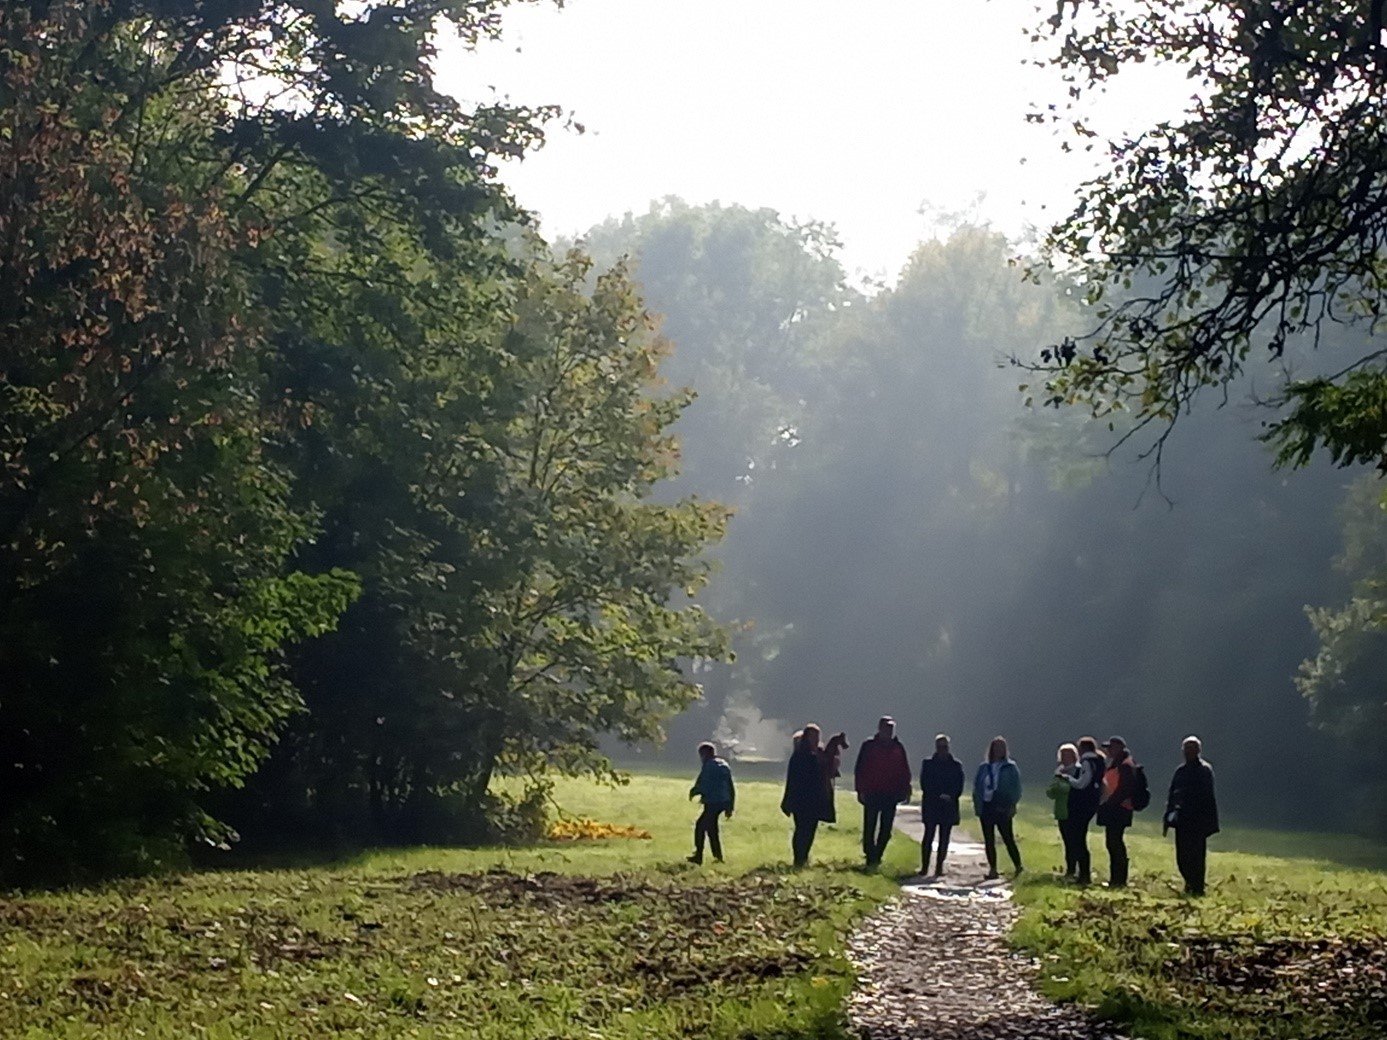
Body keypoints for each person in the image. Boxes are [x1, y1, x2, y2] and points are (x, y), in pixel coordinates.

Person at [854, 716, 912, 867]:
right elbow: (860, 768)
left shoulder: (898, 748)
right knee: (869, 826)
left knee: (886, 829)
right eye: (887, 728)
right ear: (880, 728)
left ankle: (877, 855)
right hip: (872, 792)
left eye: (891, 728)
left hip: (890, 794)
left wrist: (906, 788)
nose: (889, 731)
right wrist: (860, 789)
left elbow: (904, 770)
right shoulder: (869, 746)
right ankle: (870, 854)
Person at [1164, 735, 1219, 896]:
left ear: (1198, 751)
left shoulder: (1204, 770)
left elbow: (1206, 796)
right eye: (1186, 749)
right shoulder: (1180, 771)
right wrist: (1168, 815)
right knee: (1182, 855)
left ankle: (1197, 886)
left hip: (1197, 820)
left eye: (1191, 749)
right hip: (1182, 820)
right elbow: (1172, 793)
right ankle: (1189, 881)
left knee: (1196, 855)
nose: (1188, 753)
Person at [781, 724, 834, 867]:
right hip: (802, 799)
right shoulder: (800, 756)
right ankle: (799, 858)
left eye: (818, 737)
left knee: (810, 830)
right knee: (802, 829)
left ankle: (803, 857)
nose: (816, 740)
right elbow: (795, 779)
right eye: (814, 736)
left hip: (815, 799)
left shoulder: (817, 754)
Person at [972, 736, 1023, 879]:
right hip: (987, 805)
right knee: (989, 839)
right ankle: (993, 869)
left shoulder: (1010, 767)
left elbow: (1016, 788)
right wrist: (977, 803)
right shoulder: (984, 767)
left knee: (1008, 837)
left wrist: (1012, 804)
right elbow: (977, 786)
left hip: (1003, 804)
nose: (999, 750)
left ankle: (1018, 866)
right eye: (996, 747)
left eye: (1002, 747)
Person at [919, 733, 965, 876]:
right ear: (936, 747)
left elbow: (959, 785)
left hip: (948, 805)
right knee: (928, 836)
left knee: (944, 838)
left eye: (944, 747)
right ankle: (925, 866)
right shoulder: (928, 764)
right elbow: (924, 783)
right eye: (940, 747)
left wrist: (950, 795)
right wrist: (938, 794)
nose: (942, 749)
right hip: (932, 804)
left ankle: (939, 866)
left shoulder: (956, 765)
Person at [1062, 736, 1104, 886]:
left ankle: (1084, 875)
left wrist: (1067, 778)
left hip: (1082, 805)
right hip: (1092, 804)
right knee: (1080, 839)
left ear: (1082, 749)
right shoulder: (1100, 761)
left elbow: (1082, 783)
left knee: (1078, 840)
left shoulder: (1087, 762)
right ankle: (1082, 873)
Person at [1097, 735, 1138, 888]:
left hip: (1118, 810)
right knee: (1113, 843)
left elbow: (1124, 788)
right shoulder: (1119, 763)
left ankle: (1118, 879)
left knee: (1115, 843)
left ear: (1119, 748)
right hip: (1116, 809)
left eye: (1111, 747)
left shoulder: (1125, 765)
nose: (1108, 751)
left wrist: (1109, 803)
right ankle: (1116, 878)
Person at [687, 741, 735, 865]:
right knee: (712, 828)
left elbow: (704, 783)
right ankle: (718, 857)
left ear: (704, 754)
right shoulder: (724, 764)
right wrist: (730, 806)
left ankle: (698, 856)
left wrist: (694, 791)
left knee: (700, 826)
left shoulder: (708, 766)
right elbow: (730, 786)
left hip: (713, 801)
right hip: (723, 801)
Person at [1047, 743, 1079, 875]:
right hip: (1061, 811)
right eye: (1063, 755)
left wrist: (1061, 787)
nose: (1065, 758)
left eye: (1068, 755)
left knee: (1076, 841)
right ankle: (1070, 869)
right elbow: (1050, 792)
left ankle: (1077, 869)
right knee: (1067, 842)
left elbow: (1075, 789)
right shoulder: (1058, 772)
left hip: (1074, 811)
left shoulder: (1078, 771)